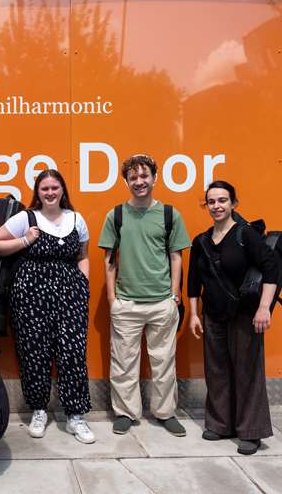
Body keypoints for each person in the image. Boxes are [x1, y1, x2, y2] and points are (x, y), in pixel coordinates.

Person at [0, 169, 94, 444]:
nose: (50, 193)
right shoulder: (27, 218)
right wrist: (25, 240)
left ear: (63, 191)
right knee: (33, 352)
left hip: (70, 294)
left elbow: (83, 255)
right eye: (44, 188)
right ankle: (39, 410)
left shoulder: (77, 218)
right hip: (30, 295)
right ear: (38, 192)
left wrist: (83, 285)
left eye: (54, 188)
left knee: (72, 352)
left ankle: (75, 416)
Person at [98, 154, 191, 437]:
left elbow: (176, 257)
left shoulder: (169, 214)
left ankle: (165, 413)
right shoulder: (115, 215)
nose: (139, 182)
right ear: (126, 180)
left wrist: (174, 296)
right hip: (127, 303)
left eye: (144, 176)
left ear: (154, 177)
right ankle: (126, 412)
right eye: (133, 177)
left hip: (162, 302)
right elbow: (109, 260)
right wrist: (113, 299)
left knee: (164, 362)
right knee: (124, 362)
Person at [188, 180, 277, 455]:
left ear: (233, 203)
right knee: (217, 371)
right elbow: (193, 282)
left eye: (222, 200)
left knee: (248, 372)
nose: (217, 206)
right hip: (213, 314)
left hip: (245, 315)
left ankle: (251, 432)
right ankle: (220, 424)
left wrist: (264, 307)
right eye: (212, 201)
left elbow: (271, 268)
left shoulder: (245, 234)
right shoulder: (201, 241)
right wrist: (193, 314)